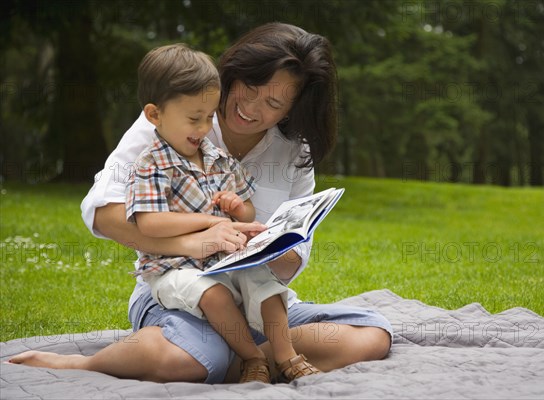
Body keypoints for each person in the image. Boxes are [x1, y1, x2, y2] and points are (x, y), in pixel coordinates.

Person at [9, 23, 393, 384]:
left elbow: (292, 261)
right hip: (183, 293)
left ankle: (240, 358)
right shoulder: (173, 121)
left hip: (255, 296)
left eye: (273, 102)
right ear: (235, 72)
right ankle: (92, 362)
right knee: (175, 357)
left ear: (291, 110)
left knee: (370, 336)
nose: (251, 106)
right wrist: (194, 242)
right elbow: (103, 213)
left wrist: (266, 244)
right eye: (250, 85)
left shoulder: (293, 153)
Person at [125, 43, 320, 383]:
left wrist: (238, 210)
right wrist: (212, 221)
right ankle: (254, 358)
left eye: (208, 118)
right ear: (155, 115)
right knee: (212, 293)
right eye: (193, 119)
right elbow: (150, 223)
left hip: (222, 265)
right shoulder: (150, 164)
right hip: (174, 270)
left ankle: (287, 355)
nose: (203, 129)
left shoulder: (217, 158)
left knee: (267, 282)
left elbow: (245, 210)